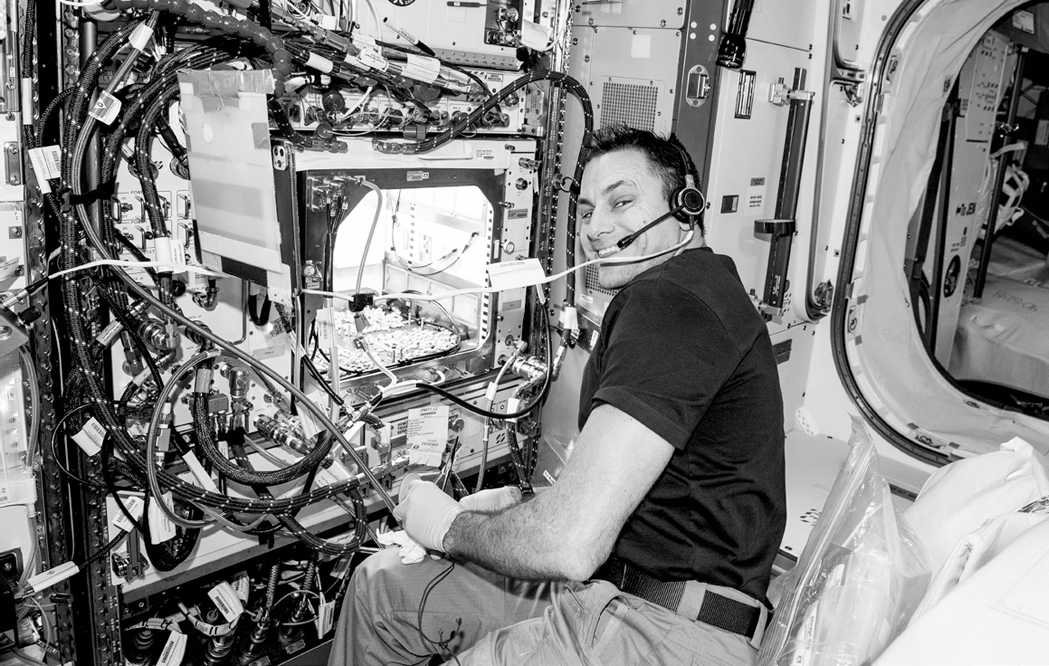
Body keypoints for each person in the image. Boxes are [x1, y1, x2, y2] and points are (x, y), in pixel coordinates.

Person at [330, 125, 787, 665]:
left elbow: (568, 545)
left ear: (685, 201)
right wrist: (510, 509)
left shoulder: (670, 300)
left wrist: (450, 526)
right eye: (588, 211)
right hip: (612, 587)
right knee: (383, 588)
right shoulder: (692, 288)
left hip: (658, 626)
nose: (597, 228)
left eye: (622, 201)